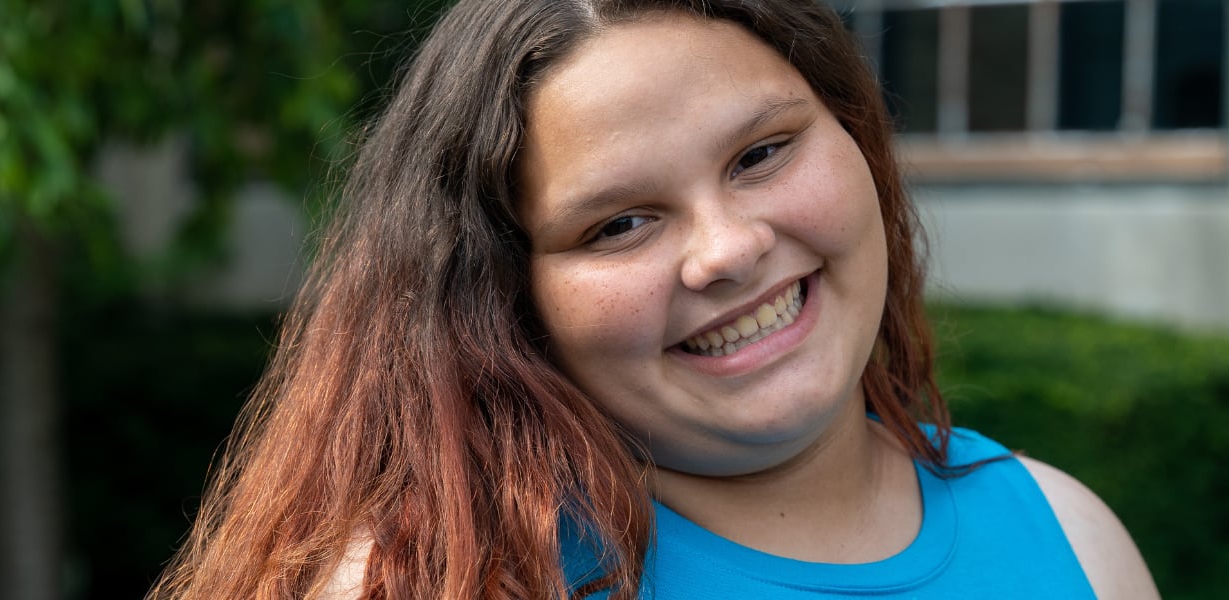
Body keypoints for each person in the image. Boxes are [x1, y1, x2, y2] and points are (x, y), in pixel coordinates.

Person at [149, 1, 1159, 598]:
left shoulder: (1072, 542)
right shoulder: (439, 581)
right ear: (505, 300)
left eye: (761, 154)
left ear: (855, 133)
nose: (725, 250)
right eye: (618, 225)